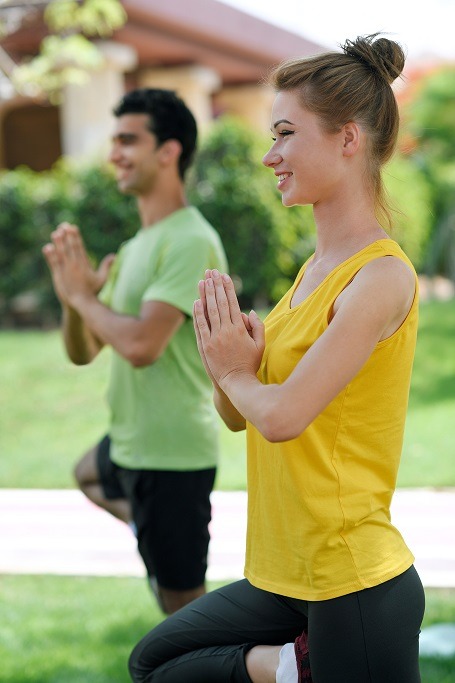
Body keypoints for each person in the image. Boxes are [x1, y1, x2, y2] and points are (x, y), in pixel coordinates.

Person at [127, 34, 425, 682]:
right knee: (153, 661)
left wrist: (238, 373)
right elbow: (241, 416)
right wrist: (224, 362)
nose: (269, 155)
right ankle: (289, 667)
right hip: (284, 572)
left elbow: (282, 415)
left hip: (352, 582)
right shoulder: (311, 273)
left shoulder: (378, 278)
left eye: (285, 134)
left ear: (347, 139)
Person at [42, 88, 227, 615]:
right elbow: (85, 351)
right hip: (131, 444)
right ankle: (154, 532)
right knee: (87, 474)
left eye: (129, 140)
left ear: (169, 151)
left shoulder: (190, 239)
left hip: (170, 454)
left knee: (186, 620)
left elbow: (142, 344)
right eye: (114, 140)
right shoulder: (133, 247)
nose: (115, 153)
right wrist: (75, 302)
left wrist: (84, 298)